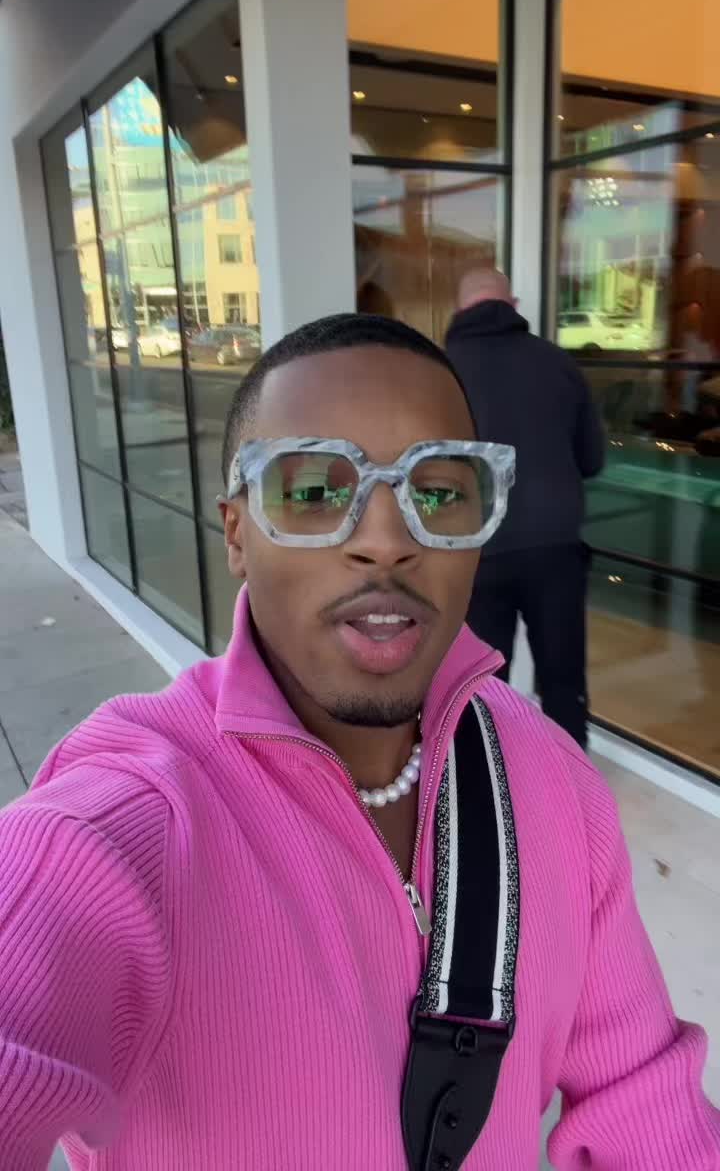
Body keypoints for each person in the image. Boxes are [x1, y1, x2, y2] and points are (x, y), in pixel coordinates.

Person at [0, 313, 718, 1171]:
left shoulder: (554, 782)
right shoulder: (124, 824)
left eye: (439, 493)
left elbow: (642, 1095)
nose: (386, 540)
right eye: (313, 493)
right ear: (237, 534)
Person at [446, 269, 605, 746]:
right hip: (554, 547)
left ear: (459, 309)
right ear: (512, 304)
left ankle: (491, 780)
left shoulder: (439, 371)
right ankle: (569, 779)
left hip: (474, 550)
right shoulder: (558, 363)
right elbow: (592, 460)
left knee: (481, 685)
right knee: (563, 680)